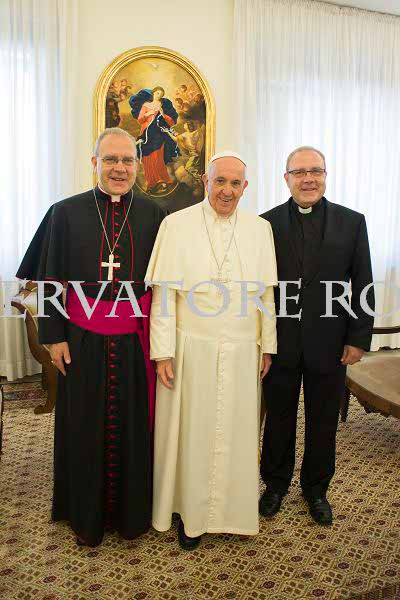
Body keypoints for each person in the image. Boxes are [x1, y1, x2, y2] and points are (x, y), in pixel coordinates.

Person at [16, 127, 165, 546]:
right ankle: (84, 513)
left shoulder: (156, 214)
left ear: (138, 165)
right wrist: (53, 336)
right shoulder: (64, 213)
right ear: (94, 162)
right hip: (80, 337)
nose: (119, 168)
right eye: (110, 159)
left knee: (134, 425)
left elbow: (166, 285)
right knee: (83, 425)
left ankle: (131, 514)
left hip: (135, 338)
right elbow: (50, 280)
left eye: (127, 160)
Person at [145, 151, 278, 550]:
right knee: (195, 433)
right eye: (220, 181)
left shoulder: (260, 229)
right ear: (205, 181)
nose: (227, 191)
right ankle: (192, 515)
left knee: (237, 430)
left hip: (242, 348)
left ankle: (233, 513)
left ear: (245, 187)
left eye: (235, 183)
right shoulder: (176, 225)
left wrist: (267, 346)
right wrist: (163, 352)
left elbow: (266, 296)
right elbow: (164, 296)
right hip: (192, 348)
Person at [259, 146, 374, 526]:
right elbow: (258, 288)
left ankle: (316, 489)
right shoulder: (265, 224)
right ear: (286, 178)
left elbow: (363, 282)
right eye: (299, 172)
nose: (308, 179)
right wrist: (259, 340)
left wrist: (358, 337)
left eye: (316, 171)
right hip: (281, 341)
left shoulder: (352, 222)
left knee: (323, 420)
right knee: (279, 417)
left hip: (331, 340)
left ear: (325, 175)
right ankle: (274, 485)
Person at [129, 86, 179, 193]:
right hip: (146, 133)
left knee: (158, 156)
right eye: (157, 93)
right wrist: (148, 114)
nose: (158, 96)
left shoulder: (163, 105)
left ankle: (162, 179)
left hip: (158, 133)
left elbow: (170, 122)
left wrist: (163, 114)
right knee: (147, 157)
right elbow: (140, 119)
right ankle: (151, 182)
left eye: (161, 95)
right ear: (153, 93)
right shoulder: (146, 105)